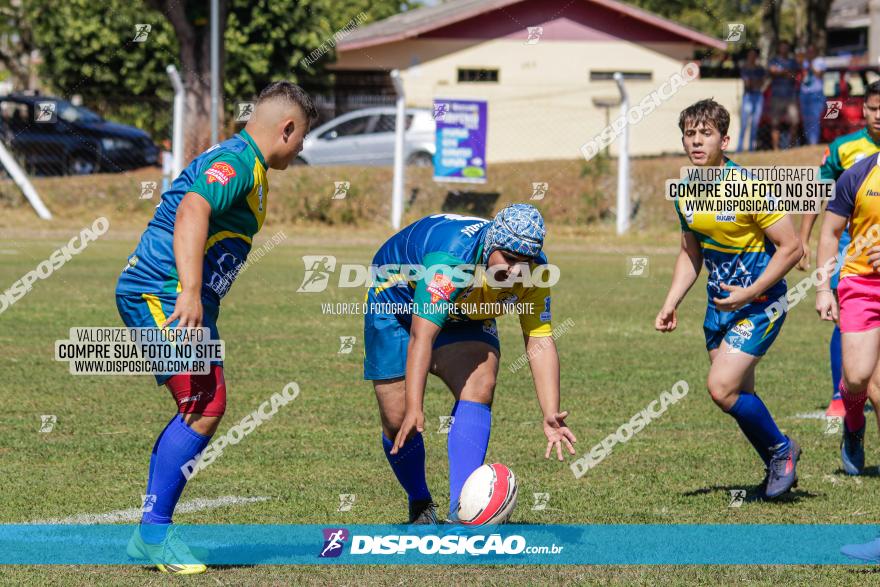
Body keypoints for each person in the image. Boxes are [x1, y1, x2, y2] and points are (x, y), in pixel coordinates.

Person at [115, 81, 317, 574]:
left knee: (201, 403)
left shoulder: (246, 162)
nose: (302, 148)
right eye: (302, 137)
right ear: (286, 128)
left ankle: (151, 534)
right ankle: (154, 536)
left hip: (177, 294)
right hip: (161, 291)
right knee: (204, 403)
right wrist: (188, 289)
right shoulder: (237, 162)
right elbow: (192, 208)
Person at [364, 205, 576, 524]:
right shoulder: (452, 260)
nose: (518, 271)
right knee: (397, 420)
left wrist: (550, 411)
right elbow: (422, 335)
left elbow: (539, 338)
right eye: (509, 259)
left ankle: (461, 513)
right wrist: (414, 405)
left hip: (465, 308)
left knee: (481, 382)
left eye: (526, 262)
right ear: (490, 246)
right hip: (397, 302)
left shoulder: (535, 273)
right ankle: (420, 503)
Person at [655, 99, 803, 499]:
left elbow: (792, 248)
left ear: (725, 139)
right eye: (690, 134)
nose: (696, 142)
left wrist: (751, 292)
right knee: (739, 394)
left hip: (761, 303)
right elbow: (691, 252)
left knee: (721, 388)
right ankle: (777, 461)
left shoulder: (750, 187)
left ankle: (781, 450)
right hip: (719, 306)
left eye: (706, 133)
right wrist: (671, 301)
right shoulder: (686, 192)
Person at [798, 81, 880, 417]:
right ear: (864, 110)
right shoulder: (846, 150)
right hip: (851, 257)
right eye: (875, 109)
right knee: (846, 331)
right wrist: (804, 238)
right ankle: (842, 395)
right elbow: (819, 192)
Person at [816, 150, 880, 476]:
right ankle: (854, 426)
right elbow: (829, 233)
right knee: (856, 378)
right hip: (861, 285)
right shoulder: (857, 175)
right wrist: (824, 288)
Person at [767, 41, 800, 150]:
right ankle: (776, 148)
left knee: (795, 121)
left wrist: (781, 72)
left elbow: (795, 75)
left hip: (790, 97)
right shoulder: (774, 60)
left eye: (786, 47)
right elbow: (772, 71)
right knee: (775, 123)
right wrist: (785, 73)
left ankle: (791, 145)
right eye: (782, 47)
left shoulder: (793, 61)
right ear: (779, 48)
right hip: (776, 96)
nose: (784, 49)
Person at [738, 48, 766, 152]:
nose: (752, 57)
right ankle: (739, 148)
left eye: (754, 55)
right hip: (748, 96)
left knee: (755, 124)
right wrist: (754, 83)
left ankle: (751, 148)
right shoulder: (744, 68)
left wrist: (753, 83)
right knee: (744, 124)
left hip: (757, 96)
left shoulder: (760, 69)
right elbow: (748, 84)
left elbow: (760, 83)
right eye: (750, 55)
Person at [799, 48, 827, 146]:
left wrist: (811, 65)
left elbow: (819, 75)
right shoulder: (804, 62)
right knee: (806, 119)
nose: (809, 53)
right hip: (804, 93)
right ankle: (809, 141)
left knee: (814, 119)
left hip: (816, 93)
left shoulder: (820, 61)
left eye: (811, 51)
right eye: (808, 51)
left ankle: (814, 143)